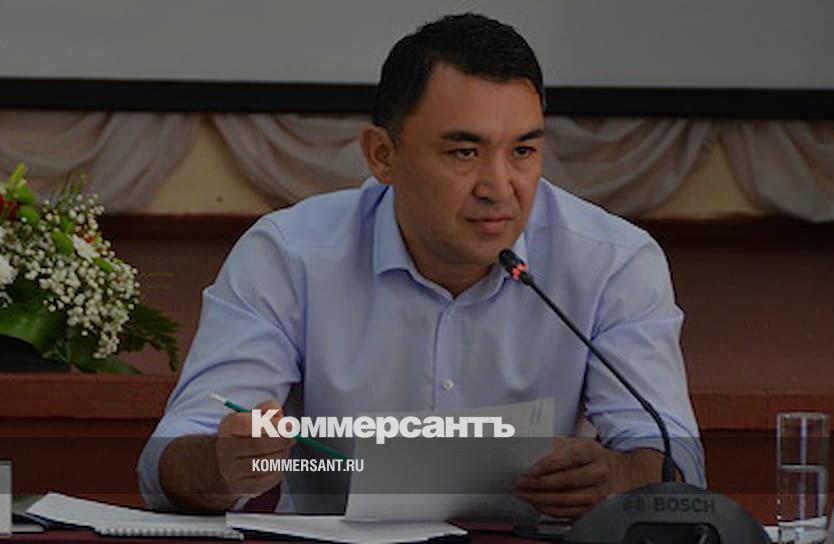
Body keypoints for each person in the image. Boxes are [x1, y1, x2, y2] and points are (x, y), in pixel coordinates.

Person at [138, 12, 704, 520]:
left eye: (523, 151)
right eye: (464, 152)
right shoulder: (290, 255)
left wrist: (619, 478)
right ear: (382, 155)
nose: (499, 187)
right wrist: (223, 464)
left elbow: (675, 462)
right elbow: (168, 462)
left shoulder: (612, 262)